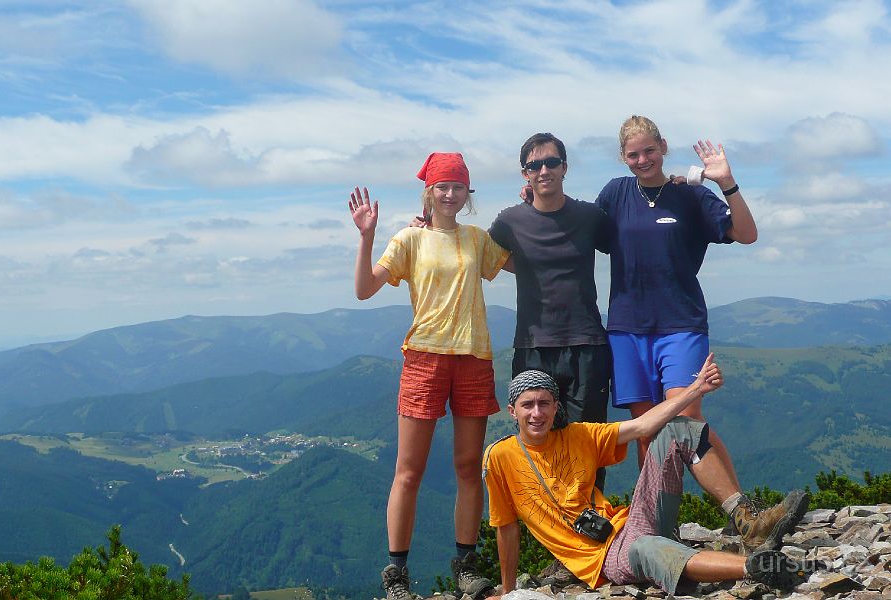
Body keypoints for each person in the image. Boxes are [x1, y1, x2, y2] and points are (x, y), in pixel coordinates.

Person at [482, 364, 820, 597]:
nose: (537, 413)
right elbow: (506, 526)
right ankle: (757, 567)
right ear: (512, 411)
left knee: (678, 429)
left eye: (544, 404)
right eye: (528, 405)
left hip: (630, 521)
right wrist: (508, 590)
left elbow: (643, 427)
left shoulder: (579, 435)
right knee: (646, 548)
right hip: (604, 559)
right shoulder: (499, 458)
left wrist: (696, 389)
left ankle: (747, 521)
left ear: (557, 407)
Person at [348, 152, 510, 600]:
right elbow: (363, 290)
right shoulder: (409, 240)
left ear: (467, 194)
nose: (451, 194)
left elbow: (525, 259)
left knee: (466, 467)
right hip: (424, 357)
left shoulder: (478, 240)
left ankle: (466, 567)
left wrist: (532, 206)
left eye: (459, 187)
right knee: (408, 471)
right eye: (443, 186)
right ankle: (396, 575)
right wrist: (367, 236)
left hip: (474, 357)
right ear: (429, 192)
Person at [595, 116, 757, 498]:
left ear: (663, 147)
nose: (643, 159)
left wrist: (726, 183)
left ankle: (742, 512)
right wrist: (533, 199)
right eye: (633, 154)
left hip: (680, 324)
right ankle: (654, 526)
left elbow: (747, 234)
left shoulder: (691, 195)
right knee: (646, 429)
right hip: (626, 328)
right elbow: (574, 226)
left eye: (649, 150)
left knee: (686, 420)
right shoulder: (614, 194)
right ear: (623, 157)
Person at [487, 132, 612, 480]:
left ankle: (591, 527)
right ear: (525, 173)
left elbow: (630, 239)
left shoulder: (590, 216)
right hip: (533, 348)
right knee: (537, 447)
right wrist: (427, 229)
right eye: (534, 165)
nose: (544, 170)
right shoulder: (509, 221)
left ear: (564, 167)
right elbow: (480, 255)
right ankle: (548, 530)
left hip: (586, 346)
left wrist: (673, 187)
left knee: (588, 444)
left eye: (551, 162)